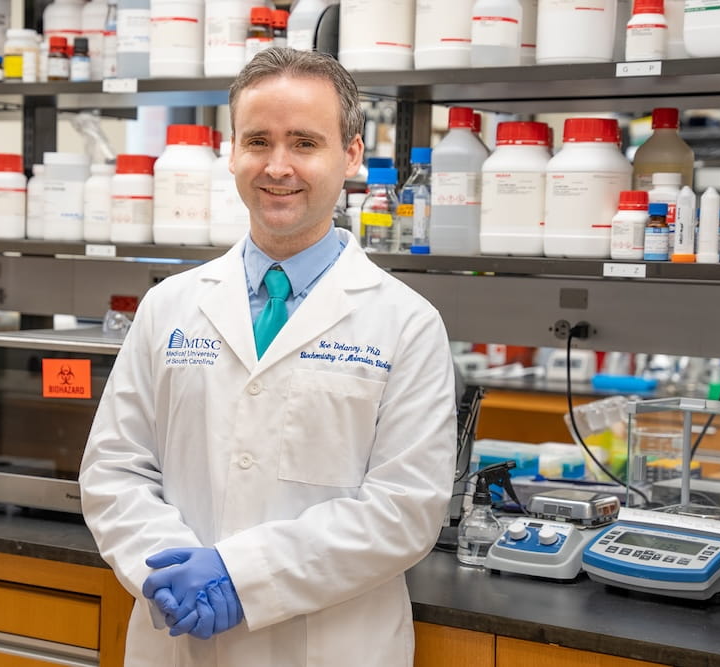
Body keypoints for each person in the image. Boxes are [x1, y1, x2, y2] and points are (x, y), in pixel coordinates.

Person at [79, 47, 457, 667]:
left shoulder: (406, 323)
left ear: (351, 155)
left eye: (305, 142)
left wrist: (239, 575)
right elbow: (114, 471)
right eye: (258, 140)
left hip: (330, 647)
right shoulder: (169, 306)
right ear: (232, 151)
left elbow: (403, 510)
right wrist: (170, 568)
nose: (278, 167)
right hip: (177, 639)